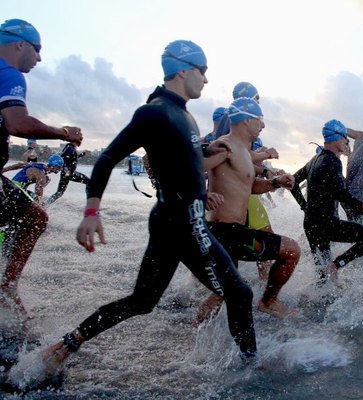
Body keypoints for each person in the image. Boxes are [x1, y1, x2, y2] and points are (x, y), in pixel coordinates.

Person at [39, 40, 258, 380]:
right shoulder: (155, 111)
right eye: (203, 72)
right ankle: (250, 370)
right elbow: (110, 156)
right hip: (183, 222)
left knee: (142, 301)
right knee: (239, 293)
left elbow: (184, 157)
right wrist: (91, 212)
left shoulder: (184, 115)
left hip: (176, 221)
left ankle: (66, 345)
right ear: (183, 70)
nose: (206, 80)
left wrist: (204, 147)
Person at [0, 18, 83, 312]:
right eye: (37, 50)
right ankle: (7, 289)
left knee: (34, 216)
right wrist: (64, 132)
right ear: (20, 44)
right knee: (36, 218)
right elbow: (19, 123)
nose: (39, 58)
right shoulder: (8, 73)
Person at [195, 97, 300, 323]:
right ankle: (268, 302)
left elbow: (249, 187)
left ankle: (193, 331)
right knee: (291, 250)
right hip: (224, 232)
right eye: (260, 120)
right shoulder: (223, 146)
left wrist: (277, 183)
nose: (263, 125)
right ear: (246, 120)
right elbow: (187, 169)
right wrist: (200, 195)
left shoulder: (241, 151)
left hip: (233, 230)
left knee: (222, 293)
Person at [290, 119, 363, 287]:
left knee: (322, 275)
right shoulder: (333, 161)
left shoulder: (315, 159)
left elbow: (292, 183)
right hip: (327, 223)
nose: (346, 144)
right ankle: (337, 265)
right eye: (346, 140)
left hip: (311, 223)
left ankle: (321, 293)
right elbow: (341, 194)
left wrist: (304, 206)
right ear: (339, 138)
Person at [45, 140, 90, 205]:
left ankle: (46, 203)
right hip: (68, 173)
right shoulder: (70, 148)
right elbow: (63, 158)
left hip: (66, 173)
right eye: (79, 140)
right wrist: (66, 169)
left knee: (59, 193)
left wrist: (81, 155)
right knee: (89, 182)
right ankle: (90, 203)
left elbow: (72, 159)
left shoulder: (69, 147)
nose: (80, 142)